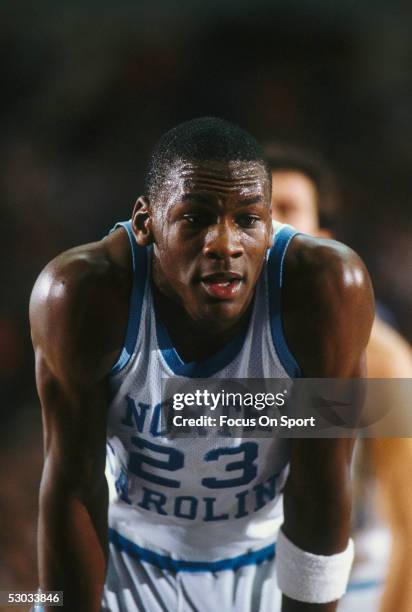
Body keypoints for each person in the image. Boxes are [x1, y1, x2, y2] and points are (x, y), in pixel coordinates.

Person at [30, 118, 374, 612]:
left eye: (249, 220)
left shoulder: (327, 288)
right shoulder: (82, 293)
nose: (224, 244)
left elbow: (321, 486)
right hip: (125, 562)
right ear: (146, 224)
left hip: (266, 561)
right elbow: (72, 483)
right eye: (195, 218)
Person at [265, 142, 412, 612]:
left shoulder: (381, 357)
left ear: (322, 238)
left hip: (354, 591)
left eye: (287, 208)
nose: (270, 224)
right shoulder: (205, 347)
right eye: (255, 211)